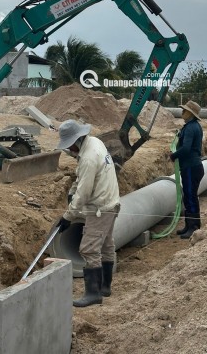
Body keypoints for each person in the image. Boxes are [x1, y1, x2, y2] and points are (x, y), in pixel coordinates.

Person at [56, 119, 121, 307]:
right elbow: (82, 178)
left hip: (100, 208)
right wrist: (71, 192)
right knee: (107, 244)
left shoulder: (88, 158)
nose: (69, 151)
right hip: (112, 202)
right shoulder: (95, 142)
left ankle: (93, 293)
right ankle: (105, 287)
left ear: (76, 142)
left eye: (70, 147)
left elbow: (84, 192)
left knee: (88, 248)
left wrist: (68, 216)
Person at [169, 100, 204, 239]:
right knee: (188, 196)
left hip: (191, 167)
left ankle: (194, 227)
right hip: (192, 166)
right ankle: (189, 225)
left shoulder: (190, 128)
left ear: (191, 113)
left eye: (184, 110)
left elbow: (186, 148)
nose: (182, 112)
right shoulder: (193, 126)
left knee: (190, 197)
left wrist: (173, 155)